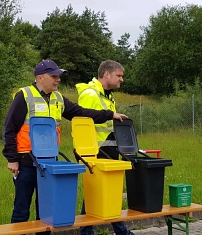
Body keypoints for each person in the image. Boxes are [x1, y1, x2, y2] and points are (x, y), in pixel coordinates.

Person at [2, 59, 127, 235]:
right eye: (53, 76)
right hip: (26, 162)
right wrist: (12, 159)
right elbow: (9, 129)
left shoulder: (58, 98)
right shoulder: (24, 96)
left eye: (59, 76)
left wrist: (110, 114)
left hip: (49, 164)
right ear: (39, 77)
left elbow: (82, 112)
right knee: (21, 210)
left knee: (45, 213)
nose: (58, 79)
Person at [75, 60, 134, 235]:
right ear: (106, 74)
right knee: (97, 194)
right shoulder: (91, 95)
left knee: (107, 194)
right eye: (119, 75)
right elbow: (83, 122)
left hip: (109, 150)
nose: (121, 79)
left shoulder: (107, 95)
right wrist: (89, 153)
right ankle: (95, 231)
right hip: (96, 152)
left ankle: (94, 231)